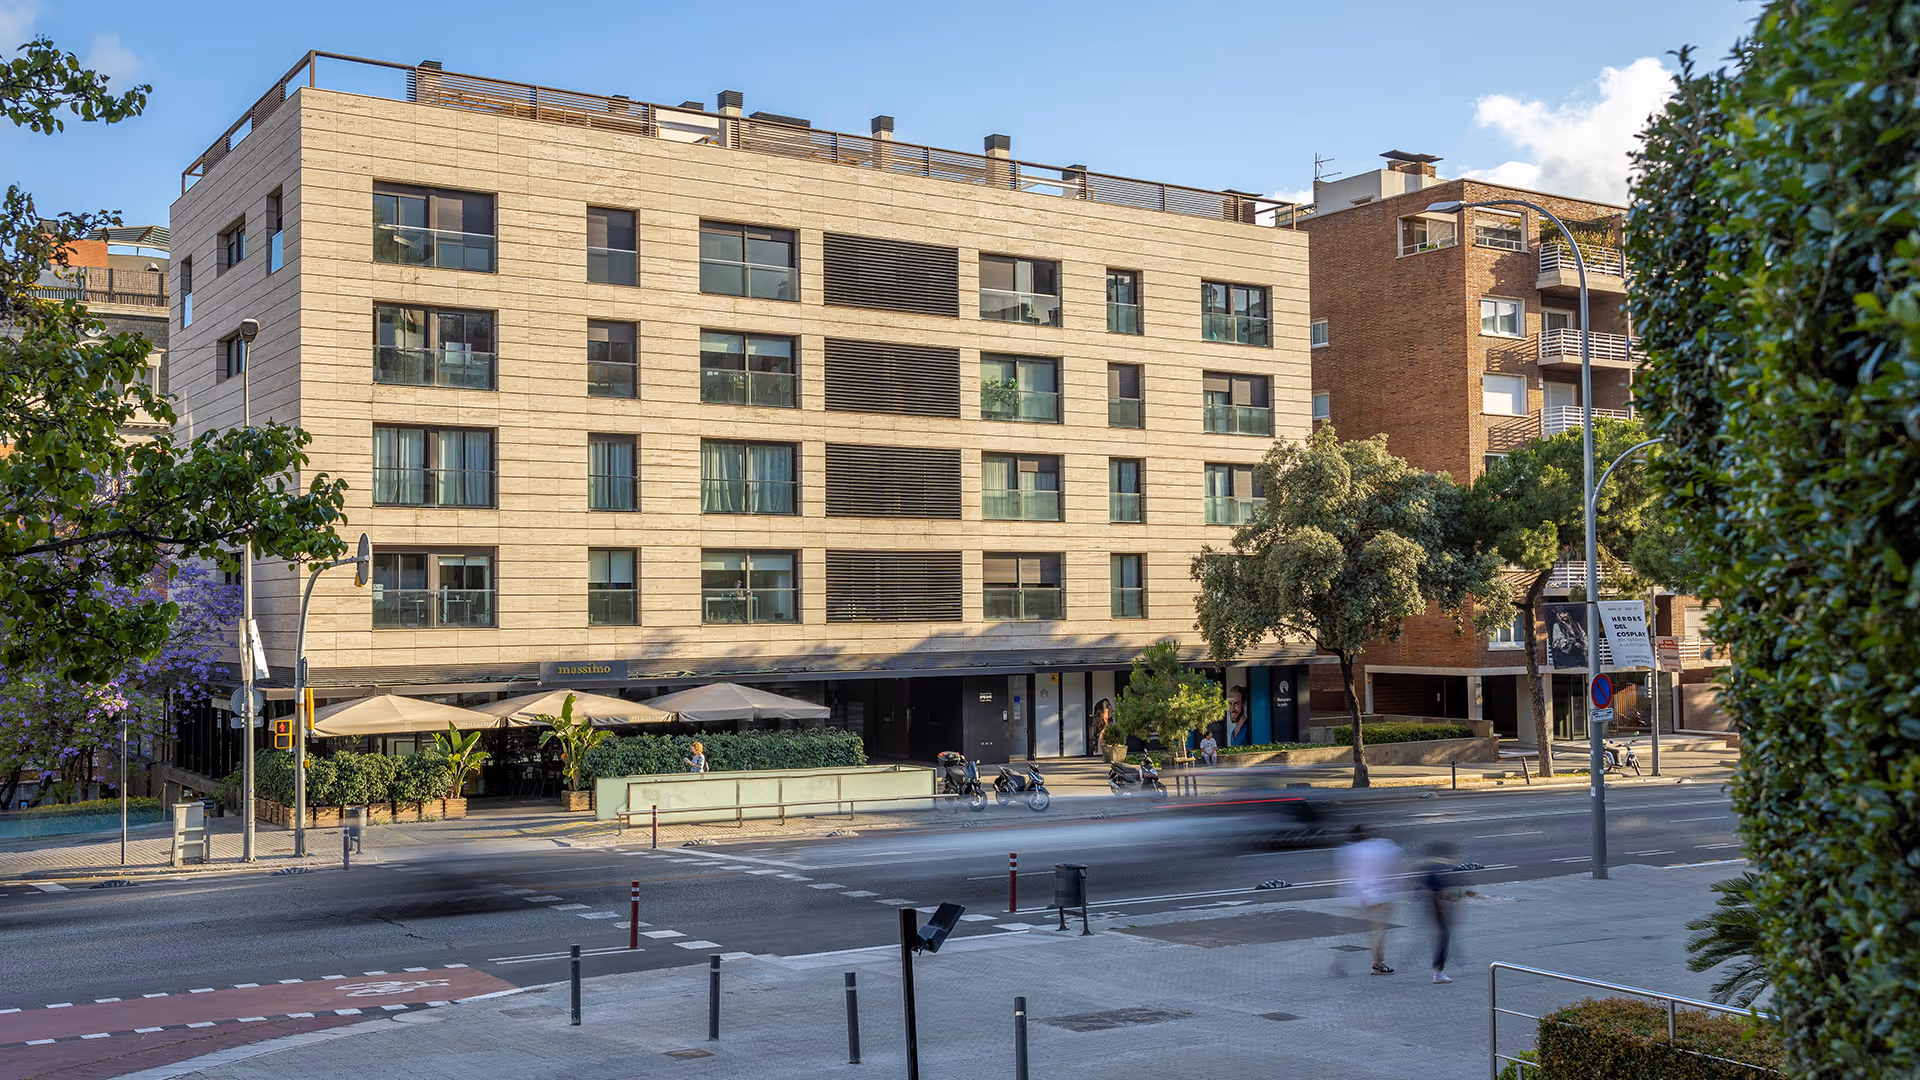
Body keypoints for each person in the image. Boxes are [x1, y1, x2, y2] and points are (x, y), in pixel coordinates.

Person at [1336, 825, 1403, 975]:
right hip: (1379, 894)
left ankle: (1339, 961)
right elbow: (1394, 865)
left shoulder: (1348, 850)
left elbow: (1344, 873)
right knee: (1378, 930)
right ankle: (1378, 965)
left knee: (1361, 929)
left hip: (1357, 894)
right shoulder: (1383, 846)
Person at [1421, 842, 1458, 983]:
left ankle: (1438, 970)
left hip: (1432, 906)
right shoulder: (1439, 868)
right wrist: (1452, 899)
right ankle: (1438, 973)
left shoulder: (1430, 867)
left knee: (1442, 937)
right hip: (1438, 907)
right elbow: (1440, 892)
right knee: (1444, 937)